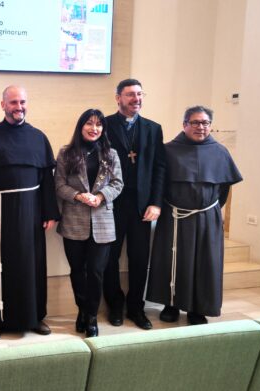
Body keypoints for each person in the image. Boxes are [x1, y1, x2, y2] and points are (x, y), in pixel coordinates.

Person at [0, 85, 60, 341]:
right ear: (3, 105)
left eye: (22, 102)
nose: (18, 106)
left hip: (31, 214)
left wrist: (49, 212)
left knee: (29, 265)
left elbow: (47, 179)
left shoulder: (38, 137)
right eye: (12, 102)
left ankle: (33, 317)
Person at [147, 106, 242, 325]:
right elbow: (159, 182)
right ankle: (170, 304)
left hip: (207, 217)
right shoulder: (169, 150)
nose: (201, 127)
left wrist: (209, 210)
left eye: (205, 123)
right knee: (173, 260)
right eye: (195, 122)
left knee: (204, 262)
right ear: (185, 124)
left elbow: (224, 188)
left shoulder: (220, 152)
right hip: (175, 215)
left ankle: (197, 308)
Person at [102, 78, 166, 330]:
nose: (136, 99)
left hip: (142, 206)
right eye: (130, 95)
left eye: (139, 94)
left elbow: (160, 168)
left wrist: (156, 203)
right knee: (110, 258)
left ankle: (137, 307)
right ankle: (115, 305)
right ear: (118, 98)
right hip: (112, 204)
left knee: (140, 259)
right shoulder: (104, 125)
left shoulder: (153, 128)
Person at [55, 109, 123, 338]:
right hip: (74, 221)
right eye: (89, 123)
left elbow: (117, 183)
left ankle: (92, 316)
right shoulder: (66, 153)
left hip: (103, 221)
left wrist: (101, 196)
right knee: (77, 271)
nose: (94, 128)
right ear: (81, 126)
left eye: (99, 125)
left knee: (95, 272)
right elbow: (59, 185)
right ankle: (82, 310)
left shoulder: (110, 153)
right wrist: (78, 196)